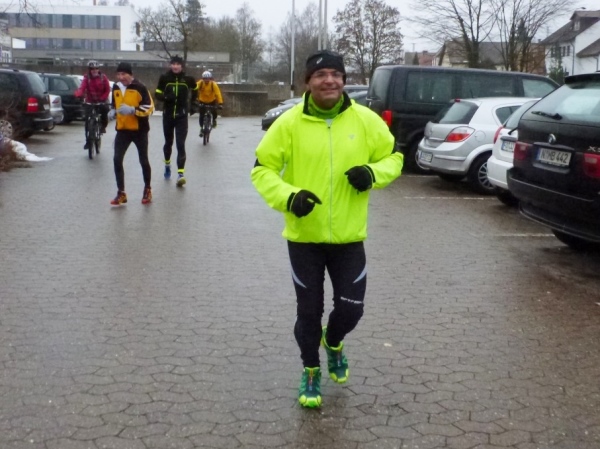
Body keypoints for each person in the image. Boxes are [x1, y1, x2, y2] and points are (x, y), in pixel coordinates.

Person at [250, 50, 403, 408]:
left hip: (349, 238)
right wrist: (289, 197)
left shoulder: (365, 120)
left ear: (344, 80)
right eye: (320, 75)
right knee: (308, 312)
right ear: (308, 82)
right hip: (305, 238)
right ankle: (310, 369)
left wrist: (372, 174)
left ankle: (333, 341)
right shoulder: (289, 123)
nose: (329, 80)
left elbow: (394, 157)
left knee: (351, 309)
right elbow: (262, 169)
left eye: (335, 74)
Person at [108, 62, 155, 206]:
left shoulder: (140, 87)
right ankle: (121, 193)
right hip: (122, 130)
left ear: (130, 74)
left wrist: (133, 110)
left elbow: (150, 107)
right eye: (118, 74)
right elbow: (114, 104)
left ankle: (147, 189)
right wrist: (112, 111)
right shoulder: (116, 87)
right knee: (117, 159)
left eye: (124, 74)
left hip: (139, 130)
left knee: (143, 160)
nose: (121, 77)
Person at [155, 55, 198, 187]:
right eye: (173, 64)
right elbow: (157, 93)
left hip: (181, 116)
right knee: (168, 142)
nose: (175, 66)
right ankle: (167, 164)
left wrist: (193, 104)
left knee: (180, 144)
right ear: (170, 65)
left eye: (178, 64)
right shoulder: (164, 78)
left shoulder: (188, 79)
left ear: (181, 66)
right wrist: (166, 97)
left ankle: (180, 174)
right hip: (168, 115)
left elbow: (195, 90)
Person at [75, 60, 111, 150]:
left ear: (98, 69)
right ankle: (88, 141)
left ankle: (103, 127)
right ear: (89, 70)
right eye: (92, 69)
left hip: (101, 100)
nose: (94, 70)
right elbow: (82, 88)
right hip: (90, 100)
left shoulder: (103, 77)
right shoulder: (87, 78)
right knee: (87, 121)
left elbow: (107, 90)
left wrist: (103, 98)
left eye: (96, 68)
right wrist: (78, 94)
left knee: (104, 111)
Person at [195, 71, 223, 137]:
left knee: (214, 112)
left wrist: (220, 103)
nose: (206, 80)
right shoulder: (200, 83)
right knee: (201, 115)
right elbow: (195, 88)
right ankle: (201, 128)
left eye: (208, 78)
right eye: (205, 78)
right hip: (202, 101)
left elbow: (218, 93)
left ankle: (214, 120)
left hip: (211, 101)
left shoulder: (213, 84)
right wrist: (194, 100)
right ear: (203, 78)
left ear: (210, 78)